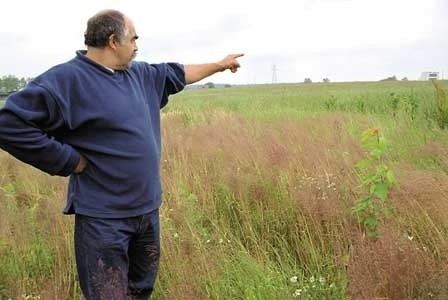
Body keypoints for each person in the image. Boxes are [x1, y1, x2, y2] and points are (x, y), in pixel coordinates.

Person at [0, 9, 243, 300]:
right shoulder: (65, 81)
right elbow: (8, 124)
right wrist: (67, 160)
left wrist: (219, 65)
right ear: (114, 40)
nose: (138, 45)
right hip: (103, 220)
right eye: (134, 38)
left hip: (146, 213)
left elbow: (180, 73)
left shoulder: (141, 75)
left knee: (140, 291)